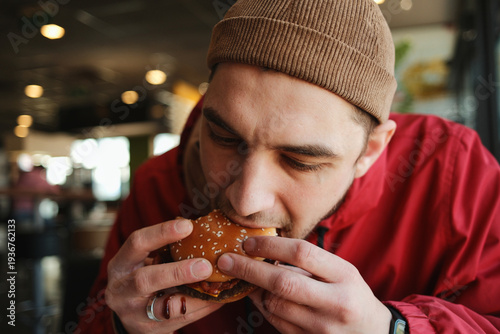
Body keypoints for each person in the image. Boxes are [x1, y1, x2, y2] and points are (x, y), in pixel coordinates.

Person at [76, 0, 500, 333]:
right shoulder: (156, 186)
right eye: (225, 138)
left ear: (370, 150)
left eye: (300, 161)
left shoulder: (453, 172)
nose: (245, 200)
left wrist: (393, 328)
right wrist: (120, 324)